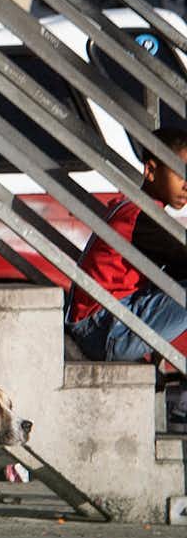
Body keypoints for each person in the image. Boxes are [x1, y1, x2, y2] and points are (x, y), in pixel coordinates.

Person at [64, 127, 187, 430]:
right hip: (103, 329)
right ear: (151, 170)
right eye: (181, 174)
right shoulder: (141, 218)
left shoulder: (134, 207)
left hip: (105, 319)